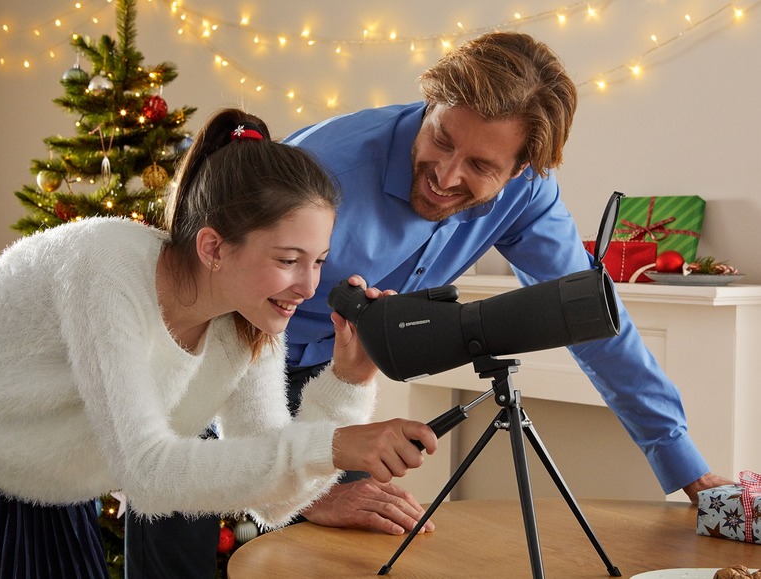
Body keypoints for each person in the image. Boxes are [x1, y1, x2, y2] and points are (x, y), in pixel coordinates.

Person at [280, 30, 733, 534]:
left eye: (479, 166)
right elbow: (214, 314)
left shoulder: (527, 194)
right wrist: (296, 493)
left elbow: (587, 316)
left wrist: (686, 464)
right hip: (223, 365)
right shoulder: (322, 170)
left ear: (522, 169)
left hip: (335, 386)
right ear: (431, 103)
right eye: (442, 140)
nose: (446, 176)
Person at [0, 108, 437, 578]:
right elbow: (147, 473)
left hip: (47, 497)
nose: (308, 287)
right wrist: (333, 446)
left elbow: (275, 504)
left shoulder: (246, 324)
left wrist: (348, 382)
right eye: (288, 260)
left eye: (319, 261)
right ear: (212, 248)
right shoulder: (103, 267)